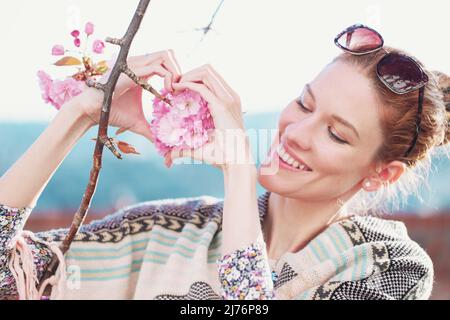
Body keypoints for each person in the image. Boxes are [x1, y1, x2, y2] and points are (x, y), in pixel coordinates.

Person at [0, 24, 448, 300]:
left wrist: (239, 170)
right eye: (304, 104)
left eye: (335, 133)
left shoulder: (389, 268)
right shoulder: (167, 228)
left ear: (381, 174)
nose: (295, 132)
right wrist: (80, 114)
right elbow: (6, 275)